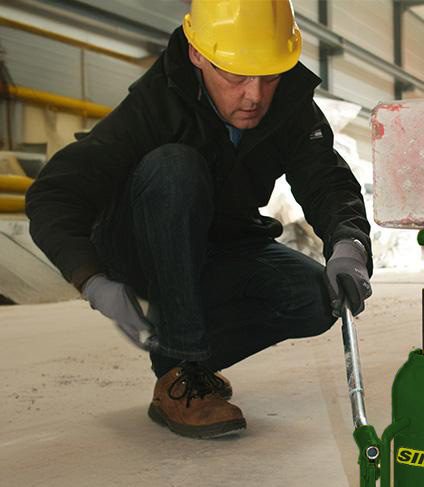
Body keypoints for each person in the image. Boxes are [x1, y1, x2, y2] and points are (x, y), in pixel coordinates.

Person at [25, 0, 372, 439]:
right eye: (236, 76)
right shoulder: (154, 104)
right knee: (175, 168)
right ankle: (180, 369)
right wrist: (91, 279)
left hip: (225, 244)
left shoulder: (288, 105)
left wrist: (349, 244)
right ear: (197, 54)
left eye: (268, 76)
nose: (255, 95)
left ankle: (191, 362)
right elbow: (54, 192)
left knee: (317, 297)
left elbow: (327, 181)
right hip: (144, 247)